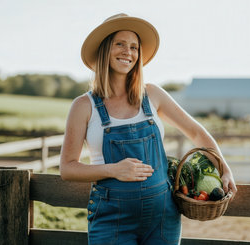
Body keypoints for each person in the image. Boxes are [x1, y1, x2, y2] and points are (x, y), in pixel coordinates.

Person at [60, 13, 237, 245]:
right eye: (120, 44)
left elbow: (195, 132)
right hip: (112, 220)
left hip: (162, 219)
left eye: (134, 47)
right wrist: (113, 170)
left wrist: (224, 168)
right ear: (105, 50)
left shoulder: (152, 95)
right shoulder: (84, 106)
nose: (128, 52)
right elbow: (67, 168)